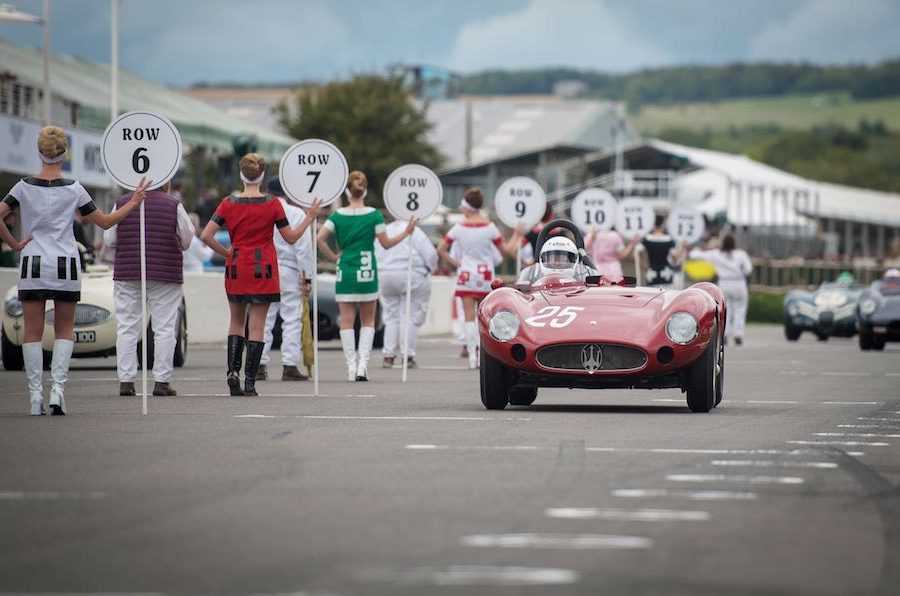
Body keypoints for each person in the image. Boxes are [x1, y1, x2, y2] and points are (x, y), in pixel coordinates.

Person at [0, 125, 149, 415]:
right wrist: (133, 202)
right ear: (64, 154)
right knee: (64, 329)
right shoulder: (74, 188)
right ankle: (58, 390)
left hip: (32, 263)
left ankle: (34, 397)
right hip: (66, 264)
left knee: (31, 332)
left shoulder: (22, 187)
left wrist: (16, 244)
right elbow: (105, 222)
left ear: (39, 151)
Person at [200, 153, 320, 396]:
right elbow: (291, 238)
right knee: (257, 325)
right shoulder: (272, 204)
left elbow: (205, 235)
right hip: (263, 267)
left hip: (236, 266)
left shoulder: (228, 202)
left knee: (236, 321)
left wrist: (226, 251)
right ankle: (249, 381)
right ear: (262, 175)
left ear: (241, 175)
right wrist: (309, 217)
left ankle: (232, 372)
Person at [317, 171, 416, 382]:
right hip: (367, 269)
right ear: (365, 191)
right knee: (368, 319)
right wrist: (406, 232)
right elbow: (386, 243)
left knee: (346, 320)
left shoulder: (337, 216)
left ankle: (350, 366)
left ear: (347, 191)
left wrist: (334, 257)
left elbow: (319, 239)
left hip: (346, 269)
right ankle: (363, 364)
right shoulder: (374, 215)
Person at [104, 181, 195, 397]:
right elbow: (187, 239)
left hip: (128, 270)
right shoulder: (174, 205)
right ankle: (161, 381)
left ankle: (126, 381)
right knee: (164, 327)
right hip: (165, 272)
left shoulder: (122, 202)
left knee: (127, 326)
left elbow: (109, 239)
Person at [437, 188, 522, 369]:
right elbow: (505, 251)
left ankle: (471, 357)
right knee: (484, 318)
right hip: (485, 276)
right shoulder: (490, 227)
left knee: (468, 317)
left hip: (466, 275)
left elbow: (441, 249)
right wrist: (516, 235)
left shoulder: (458, 228)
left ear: (466, 207)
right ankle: (484, 355)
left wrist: (457, 262)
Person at [258, 176, 315, 382]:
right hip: (289, 270)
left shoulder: (261, 210)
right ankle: (289, 365)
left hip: (264, 267)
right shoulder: (296, 213)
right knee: (291, 318)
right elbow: (304, 250)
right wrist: (307, 278)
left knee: (263, 318)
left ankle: (259, 364)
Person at [375, 216, 438, 369]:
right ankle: (407, 355)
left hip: (385, 274)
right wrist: (431, 269)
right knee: (410, 317)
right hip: (412, 273)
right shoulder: (415, 230)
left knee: (390, 316)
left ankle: (388, 355)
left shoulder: (385, 230)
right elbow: (430, 254)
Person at [690, 233, 753, 346]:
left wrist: (702, 248)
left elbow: (694, 255)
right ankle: (738, 334)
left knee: (725, 310)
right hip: (739, 283)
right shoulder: (741, 254)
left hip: (724, 283)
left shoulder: (716, 254)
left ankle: (725, 334)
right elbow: (748, 269)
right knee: (740, 309)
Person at [642, 214, 687, 288]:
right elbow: (675, 257)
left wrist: (643, 265)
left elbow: (636, 254)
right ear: (663, 224)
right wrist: (683, 247)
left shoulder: (646, 240)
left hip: (651, 273)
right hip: (666, 273)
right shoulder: (669, 240)